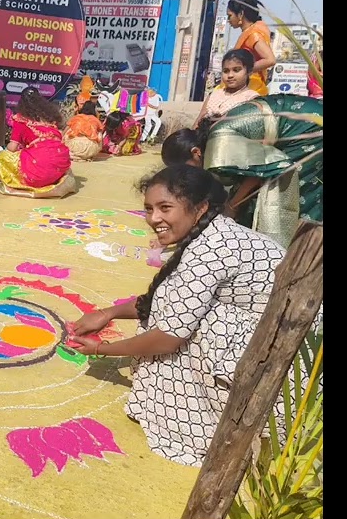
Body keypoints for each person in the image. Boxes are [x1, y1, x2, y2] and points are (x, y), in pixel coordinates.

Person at [65, 164, 288, 467]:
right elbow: (168, 297)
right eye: (148, 209)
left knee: (188, 326)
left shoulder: (210, 252)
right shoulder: (212, 231)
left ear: (200, 208)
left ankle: (216, 426)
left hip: (281, 365)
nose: (153, 218)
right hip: (280, 342)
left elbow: (169, 337)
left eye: (165, 207)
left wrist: (102, 349)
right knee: (178, 307)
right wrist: (109, 313)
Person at [160, 94, 323, 248]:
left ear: (196, 152)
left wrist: (232, 205)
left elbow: (262, 170)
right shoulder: (210, 137)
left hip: (309, 128)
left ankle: (289, 251)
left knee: (290, 192)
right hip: (299, 119)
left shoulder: (219, 144)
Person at [0, 88, 77, 198]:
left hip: (38, 172)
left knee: (2, 156)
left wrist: (2, 151)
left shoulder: (20, 119)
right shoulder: (49, 118)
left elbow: (12, 147)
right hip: (60, 165)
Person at [191, 49, 261, 132]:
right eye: (226, 71)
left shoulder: (252, 99)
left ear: (249, 72)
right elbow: (198, 122)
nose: (230, 75)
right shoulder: (214, 95)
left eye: (236, 70)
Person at [227, 0, 276, 95]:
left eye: (230, 15)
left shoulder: (253, 35)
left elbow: (270, 60)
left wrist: (241, 70)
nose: (228, 20)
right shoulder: (249, 32)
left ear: (240, 14)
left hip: (250, 87)